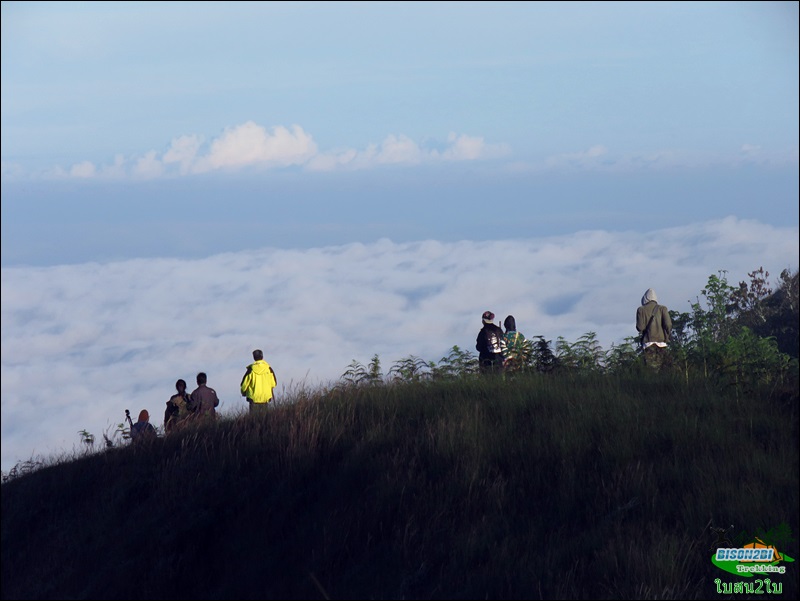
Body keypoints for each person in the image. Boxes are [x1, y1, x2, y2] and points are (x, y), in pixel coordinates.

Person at [636, 288, 672, 371]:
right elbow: (668, 324)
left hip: (648, 343)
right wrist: (667, 335)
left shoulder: (641, 310)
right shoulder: (663, 309)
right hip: (662, 343)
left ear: (645, 298)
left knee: (651, 370)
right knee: (664, 369)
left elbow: (640, 327)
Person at [240, 349, 278, 413]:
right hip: (265, 398)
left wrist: (243, 392)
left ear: (254, 357)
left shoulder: (251, 370)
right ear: (262, 357)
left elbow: (244, 384)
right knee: (264, 420)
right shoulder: (269, 369)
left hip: (253, 399)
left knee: (253, 420)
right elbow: (273, 383)